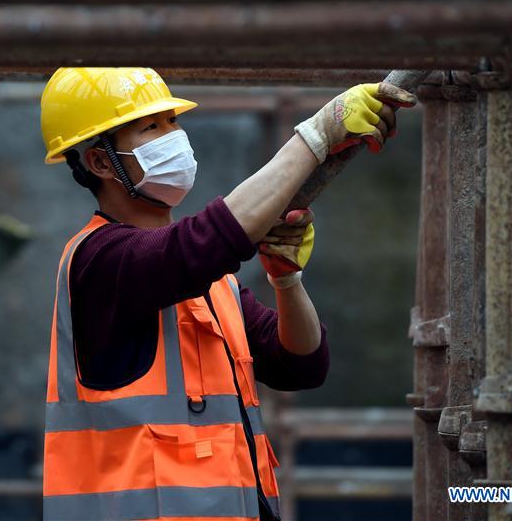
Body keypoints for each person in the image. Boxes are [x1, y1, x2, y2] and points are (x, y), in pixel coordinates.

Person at [39, 67, 415, 521]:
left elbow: (301, 365)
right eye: (151, 127)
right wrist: (315, 136)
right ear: (101, 163)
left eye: (172, 122)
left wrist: (286, 280)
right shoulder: (99, 260)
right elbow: (201, 245)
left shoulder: (215, 283)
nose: (173, 136)